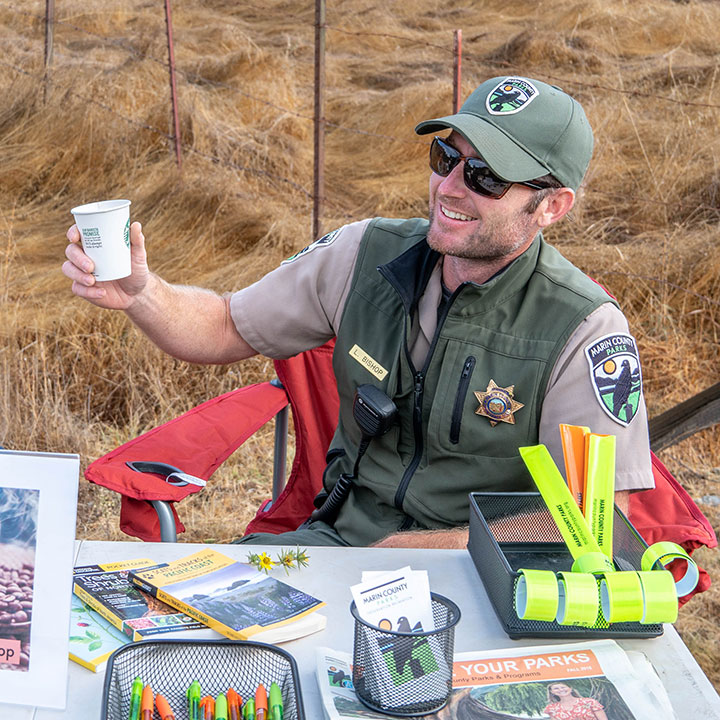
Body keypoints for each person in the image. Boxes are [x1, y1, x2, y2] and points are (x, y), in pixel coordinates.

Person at [62, 75, 654, 548]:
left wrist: (423, 550)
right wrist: (142, 293)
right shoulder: (362, 253)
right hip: (333, 550)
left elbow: (593, 522)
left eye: (484, 176)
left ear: (552, 206)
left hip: (482, 590)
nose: (448, 186)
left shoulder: (584, 330)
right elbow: (222, 325)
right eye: (445, 155)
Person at [544, 682, 608, 720]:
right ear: (552, 692)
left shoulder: (590, 702)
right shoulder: (551, 708)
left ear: (570, 689)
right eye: (556, 688)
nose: (560, 690)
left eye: (563, 687)